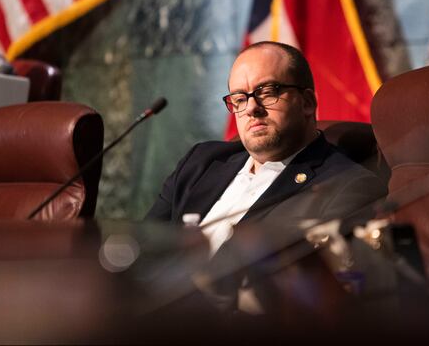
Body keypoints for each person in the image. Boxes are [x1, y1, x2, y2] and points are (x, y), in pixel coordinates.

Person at [146, 42, 386, 309]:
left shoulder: (348, 187)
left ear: (307, 103)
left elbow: (307, 300)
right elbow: (144, 246)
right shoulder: (201, 161)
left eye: (268, 92)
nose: (251, 108)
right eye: (239, 98)